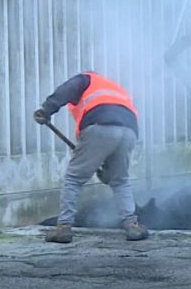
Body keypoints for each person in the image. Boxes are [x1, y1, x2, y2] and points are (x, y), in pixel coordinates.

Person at [33, 71, 148, 243]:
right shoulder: (113, 88)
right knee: (120, 180)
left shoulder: (86, 78)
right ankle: (132, 225)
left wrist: (46, 109)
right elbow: (111, 138)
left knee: (73, 178)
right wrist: (107, 169)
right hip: (129, 131)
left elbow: (66, 89)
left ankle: (64, 227)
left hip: (100, 125)